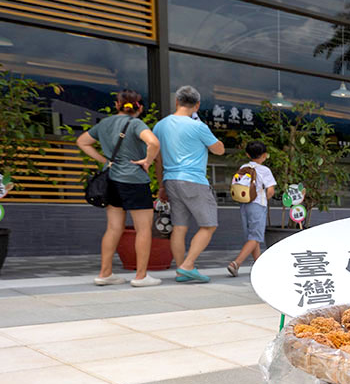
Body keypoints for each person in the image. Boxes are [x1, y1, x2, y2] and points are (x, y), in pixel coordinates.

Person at [75, 90, 162, 287]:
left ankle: (105, 273)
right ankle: (140, 276)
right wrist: (147, 161)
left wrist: (105, 160)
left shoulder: (105, 123)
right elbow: (154, 142)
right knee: (143, 229)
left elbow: (82, 142)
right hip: (134, 180)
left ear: (117, 105)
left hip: (111, 179)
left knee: (114, 227)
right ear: (138, 108)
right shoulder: (136, 124)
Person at [153, 86, 225, 282]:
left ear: (176, 102)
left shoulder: (160, 126)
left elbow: (157, 159)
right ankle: (187, 265)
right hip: (193, 181)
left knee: (179, 226)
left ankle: (180, 271)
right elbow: (219, 150)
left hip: (170, 180)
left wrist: (161, 186)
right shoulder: (198, 127)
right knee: (209, 225)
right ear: (197, 105)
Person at [226, 141, 276, 277]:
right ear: (265, 155)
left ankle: (258, 266)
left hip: (244, 204)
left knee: (253, 236)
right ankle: (236, 263)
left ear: (247, 154)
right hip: (258, 205)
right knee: (255, 236)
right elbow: (270, 190)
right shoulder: (265, 170)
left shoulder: (244, 167)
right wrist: (266, 197)